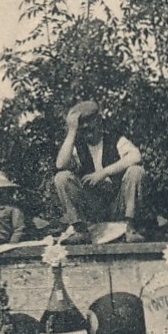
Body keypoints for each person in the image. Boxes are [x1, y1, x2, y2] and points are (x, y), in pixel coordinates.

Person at [53, 100, 146, 244]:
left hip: (117, 204)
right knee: (62, 177)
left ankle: (130, 228)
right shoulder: (78, 147)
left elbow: (136, 156)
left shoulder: (115, 140)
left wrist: (102, 173)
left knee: (136, 171)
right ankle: (80, 230)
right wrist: (71, 132)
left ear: (99, 122)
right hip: (93, 207)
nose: (87, 132)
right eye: (82, 129)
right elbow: (60, 164)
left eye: (90, 127)